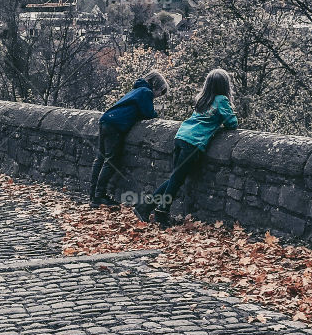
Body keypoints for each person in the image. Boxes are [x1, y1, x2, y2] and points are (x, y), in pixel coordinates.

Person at [140, 68, 238, 227]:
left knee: (175, 177)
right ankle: (161, 211)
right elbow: (232, 123)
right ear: (225, 86)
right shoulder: (221, 100)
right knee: (176, 179)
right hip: (193, 143)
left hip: (181, 136)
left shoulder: (202, 99)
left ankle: (146, 206)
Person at [90, 71, 169, 207]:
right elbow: (149, 113)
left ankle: (93, 193)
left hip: (106, 120)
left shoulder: (137, 90)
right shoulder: (146, 92)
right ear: (156, 86)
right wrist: (156, 113)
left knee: (101, 158)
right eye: (160, 93)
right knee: (111, 159)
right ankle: (99, 195)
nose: (158, 97)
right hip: (116, 125)